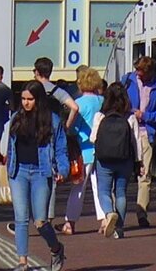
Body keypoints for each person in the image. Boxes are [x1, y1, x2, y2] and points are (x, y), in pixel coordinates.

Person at [0, 83, 69, 271]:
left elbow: (61, 149)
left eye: (30, 99)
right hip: (19, 172)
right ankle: (22, 262)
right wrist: (7, 167)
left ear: (38, 99)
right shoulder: (16, 117)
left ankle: (56, 249)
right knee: (21, 218)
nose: (26, 103)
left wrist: (62, 170)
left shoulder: (53, 120)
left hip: (42, 172)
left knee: (40, 222)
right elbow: (10, 147)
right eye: (23, 99)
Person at [58, 67, 105, 233]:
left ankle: (70, 222)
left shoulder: (78, 103)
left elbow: (73, 129)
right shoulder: (102, 101)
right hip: (102, 149)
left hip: (83, 149)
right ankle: (104, 219)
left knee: (78, 186)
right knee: (101, 187)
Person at [128, 55, 156, 230]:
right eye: (137, 70)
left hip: (146, 133)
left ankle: (142, 212)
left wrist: (145, 116)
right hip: (127, 131)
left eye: (142, 72)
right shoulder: (128, 80)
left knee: (144, 175)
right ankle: (115, 212)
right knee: (120, 174)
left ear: (150, 72)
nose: (138, 74)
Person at [90, 82, 138, 239]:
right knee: (121, 192)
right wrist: (138, 162)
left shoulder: (100, 116)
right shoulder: (130, 117)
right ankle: (119, 228)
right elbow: (135, 141)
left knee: (104, 191)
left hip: (104, 159)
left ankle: (109, 213)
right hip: (125, 159)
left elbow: (93, 138)